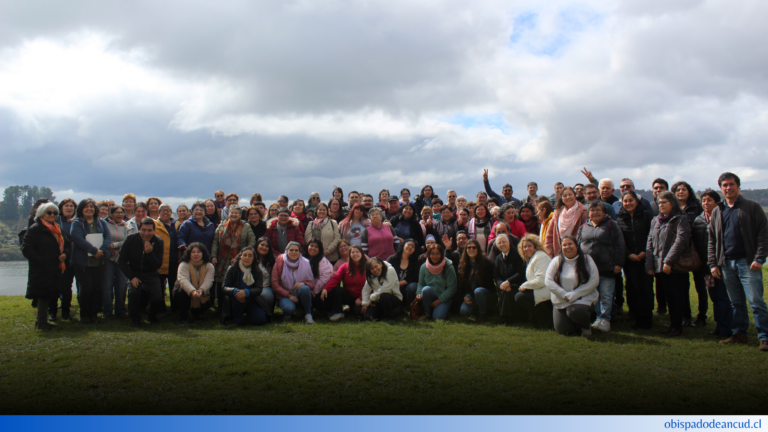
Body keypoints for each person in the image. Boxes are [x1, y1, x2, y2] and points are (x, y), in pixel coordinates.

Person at [708, 172, 768, 350]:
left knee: (756, 302)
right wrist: (713, 263)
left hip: (748, 262)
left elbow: (764, 235)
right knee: (736, 302)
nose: (728, 188)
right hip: (726, 264)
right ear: (721, 188)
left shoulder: (752, 207)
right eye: (724, 185)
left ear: (738, 186)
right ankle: (740, 334)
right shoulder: (718, 211)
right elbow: (712, 239)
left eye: (731, 184)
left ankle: (764, 337)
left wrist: (759, 258)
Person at [646, 191, 691, 337]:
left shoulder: (681, 218)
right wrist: (650, 265)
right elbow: (650, 243)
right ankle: (672, 325)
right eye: (659, 203)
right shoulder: (655, 220)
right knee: (668, 297)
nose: (661, 205)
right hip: (660, 266)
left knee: (677, 297)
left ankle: (677, 326)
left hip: (675, 266)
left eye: (664, 202)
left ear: (673, 203)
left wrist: (669, 261)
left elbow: (681, 240)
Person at [578, 202, 626, 333]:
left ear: (604, 212)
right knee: (595, 294)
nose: (595, 213)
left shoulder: (612, 225)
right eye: (592, 210)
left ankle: (605, 319)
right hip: (589, 269)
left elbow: (620, 245)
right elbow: (579, 245)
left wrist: (618, 263)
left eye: (598, 210)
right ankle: (598, 318)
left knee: (606, 295)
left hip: (607, 267)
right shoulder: (584, 226)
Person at [22, 203, 71, 330]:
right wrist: (40, 261)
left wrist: (65, 254)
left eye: (55, 213)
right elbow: (26, 248)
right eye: (49, 213)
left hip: (55, 267)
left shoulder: (58, 228)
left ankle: (43, 320)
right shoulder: (35, 229)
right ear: (41, 214)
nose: (52, 215)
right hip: (41, 269)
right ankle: (41, 321)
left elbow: (67, 245)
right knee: (42, 294)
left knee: (50, 293)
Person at [693, 190, 733, 339]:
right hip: (706, 268)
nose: (706, 203)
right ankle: (718, 325)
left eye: (709, 200)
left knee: (723, 297)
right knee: (714, 296)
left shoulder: (723, 217)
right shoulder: (698, 220)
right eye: (703, 200)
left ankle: (726, 328)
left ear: (717, 202)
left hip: (722, 265)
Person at [546, 235, 600, 336]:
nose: (567, 247)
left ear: (577, 246)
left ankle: (585, 326)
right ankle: (576, 324)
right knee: (565, 331)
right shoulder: (556, 261)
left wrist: (575, 294)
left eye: (570, 244)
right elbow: (548, 281)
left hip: (583, 299)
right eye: (564, 245)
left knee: (575, 311)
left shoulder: (587, 259)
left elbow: (594, 281)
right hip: (562, 299)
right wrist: (563, 294)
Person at [617, 191, 655, 329]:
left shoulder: (647, 215)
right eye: (625, 201)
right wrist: (629, 254)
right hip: (630, 260)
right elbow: (620, 240)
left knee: (646, 288)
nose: (628, 203)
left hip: (646, 257)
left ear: (637, 202)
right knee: (632, 288)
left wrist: (644, 252)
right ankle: (635, 314)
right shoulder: (620, 218)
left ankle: (646, 317)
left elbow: (652, 236)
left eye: (630, 200)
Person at [71, 198, 112, 324]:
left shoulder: (101, 222)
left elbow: (108, 237)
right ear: (81, 209)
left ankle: (94, 314)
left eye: (91, 207)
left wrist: (102, 250)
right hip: (84, 263)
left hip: (99, 261)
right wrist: (94, 250)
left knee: (97, 288)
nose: (89, 209)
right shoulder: (77, 223)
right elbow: (77, 238)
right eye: (86, 207)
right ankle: (85, 315)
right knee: (86, 288)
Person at [671, 181, 706, 327]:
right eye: (677, 190)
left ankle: (702, 317)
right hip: (680, 252)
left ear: (689, 192)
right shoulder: (672, 208)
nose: (680, 192)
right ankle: (686, 316)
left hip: (698, 250)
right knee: (683, 287)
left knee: (701, 286)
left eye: (683, 190)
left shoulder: (697, 206)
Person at [118, 217, 164, 327]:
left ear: (154, 230)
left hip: (151, 274)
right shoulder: (130, 240)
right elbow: (121, 261)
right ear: (139, 229)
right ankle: (135, 319)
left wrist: (149, 253)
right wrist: (131, 277)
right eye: (143, 230)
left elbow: (158, 265)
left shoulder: (158, 241)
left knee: (158, 298)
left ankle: (151, 315)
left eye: (149, 230)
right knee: (134, 294)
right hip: (135, 273)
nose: (146, 233)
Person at [212, 205, 256, 311]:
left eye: (237, 213)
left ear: (240, 215)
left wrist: (246, 255)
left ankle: (234, 308)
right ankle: (221, 308)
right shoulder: (222, 225)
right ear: (228, 214)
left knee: (234, 281)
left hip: (238, 259)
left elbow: (252, 241)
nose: (234, 214)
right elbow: (215, 242)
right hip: (222, 260)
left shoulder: (246, 226)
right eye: (232, 212)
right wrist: (213, 256)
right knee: (221, 283)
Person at [221, 247, 270, 326]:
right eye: (245, 255)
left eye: (250, 255)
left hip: (252, 298)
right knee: (237, 300)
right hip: (235, 298)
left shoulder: (257, 270)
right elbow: (224, 287)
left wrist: (246, 292)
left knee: (260, 320)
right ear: (240, 256)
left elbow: (259, 289)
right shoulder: (232, 268)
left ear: (253, 258)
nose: (247, 258)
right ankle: (238, 320)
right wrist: (235, 291)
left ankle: (249, 315)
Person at [514, 234, 553, 328]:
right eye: (525, 247)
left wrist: (524, 286)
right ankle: (540, 319)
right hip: (539, 288)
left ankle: (546, 318)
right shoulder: (533, 257)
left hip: (546, 290)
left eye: (529, 246)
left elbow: (541, 280)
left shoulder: (540, 257)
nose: (527, 249)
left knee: (519, 297)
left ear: (535, 246)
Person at [271, 241, 315, 323]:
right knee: (289, 309)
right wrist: (289, 295)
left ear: (299, 252)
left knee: (305, 288)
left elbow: (312, 284)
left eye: (296, 250)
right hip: (285, 295)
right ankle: (287, 314)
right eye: (291, 250)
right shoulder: (279, 262)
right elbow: (275, 284)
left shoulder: (306, 262)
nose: (294, 252)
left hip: (300, 293)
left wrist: (304, 283)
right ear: (286, 251)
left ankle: (308, 314)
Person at [173, 242, 214, 323]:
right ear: (189, 254)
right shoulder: (183, 264)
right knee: (181, 292)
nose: (196, 254)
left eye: (198, 252)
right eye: (193, 252)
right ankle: (183, 316)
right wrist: (192, 291)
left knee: (210, 300)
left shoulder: (209, 266)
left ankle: (196, 313)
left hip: (201, 292)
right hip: (184, 293)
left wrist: (201, 290)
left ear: (203, 254)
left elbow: (209, 281)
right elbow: (183, 280)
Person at [456, 238, 496, 322]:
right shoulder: (463, 264)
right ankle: (478, 309)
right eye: (469, 247)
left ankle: (482, 313)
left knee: (478, 291)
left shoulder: (486, 263)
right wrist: (465, 296)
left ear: (478, 249)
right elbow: (462, 284)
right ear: (466, 250)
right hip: (471, 295)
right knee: (464, 311)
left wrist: (469, 295)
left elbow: (486, 284)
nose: (471, 249)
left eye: (474, 247)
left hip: (485, 293)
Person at [326, 245, 369, 321]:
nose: (355, 254)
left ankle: (352, 308)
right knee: (335, 289)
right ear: (349, 255)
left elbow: (372, 286)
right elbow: (336, 278)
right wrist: (326, 289)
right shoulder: (344, 266)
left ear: (362, 254)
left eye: (357, 252)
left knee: (360, 313)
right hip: (348, 296)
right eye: (352, 252)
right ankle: (339, 312)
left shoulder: (368, 267)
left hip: (362, 297)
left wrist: (361, 298)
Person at [416, 244, 457, 321]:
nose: (435, 256)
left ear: (442, 254)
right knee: (425, 289)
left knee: (438, 317)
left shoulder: (449, 267)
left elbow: (452, 287)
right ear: (429, 254)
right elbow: (421, 283)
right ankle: (427, 313)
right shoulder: (424, 267)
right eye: (432, 254)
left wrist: (439, 301)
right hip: (429, 296)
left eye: (438, 254)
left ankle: (443, 310)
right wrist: (418, 293)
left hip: (444, 297)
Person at [52, 198, 77, 320]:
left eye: (71, 206)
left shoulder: (77, 222)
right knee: (55, 286)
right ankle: (52, 311)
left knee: (68, 287)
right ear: (61, 208)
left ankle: (66, 312)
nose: (69, 208)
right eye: (66, 206)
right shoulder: (55, 221)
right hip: (57, 258)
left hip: (72, 258)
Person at [102, 206, 129, 319]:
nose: (119, 214)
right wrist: (108, 245)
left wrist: (114, 245)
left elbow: (127, 241)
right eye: (116, 212)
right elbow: (103, 238)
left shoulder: (127, 226)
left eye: (121, 212)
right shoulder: (105, 224)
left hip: (122, 261)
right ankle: (107, 312)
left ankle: (120, 311)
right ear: (111, 214)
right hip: (108, 259)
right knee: (107, 287)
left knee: (122, 286)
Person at [545, 187, 587, 257]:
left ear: (574, 195)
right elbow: (549, 234)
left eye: (570, 194)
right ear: (561, 198)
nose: (568, 197)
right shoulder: (557, 213)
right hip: (560, 251)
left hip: (578, 252)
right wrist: (549, 250)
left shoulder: (583, 211)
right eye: (565, 196)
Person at [494, 233, 526, 323]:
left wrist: (508, 282)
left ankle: (505, 318)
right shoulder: (498, 258)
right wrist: (501, 284)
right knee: (504, 291)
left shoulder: (517, 254)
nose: (502, 244)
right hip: (504, 285)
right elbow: (496, 275)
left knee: (507, 292)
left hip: (518, 284)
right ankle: (505, 317)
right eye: (499, 243)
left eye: (504, 242)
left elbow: (521, 272)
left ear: (509, 242)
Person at [155, 203, 180, 313]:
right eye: (163, 210)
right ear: (159, 212)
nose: (166, 212)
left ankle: (175, 309)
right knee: (159, 288)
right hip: (159, 261)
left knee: (174, 287)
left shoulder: (177, 224)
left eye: (168, 210)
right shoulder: (154, 224)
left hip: (174, 260)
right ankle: (160, 310)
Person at [302, 239, 335, 318]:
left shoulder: (323, 261)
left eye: (316, 247)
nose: (313, 248)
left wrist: (314, 293)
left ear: (320, 249)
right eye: (311, 246)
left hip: (319, 290)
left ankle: (330, 310)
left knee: (318, 302)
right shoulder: (302, 259)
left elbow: (324, 278)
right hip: (305, 287)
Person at [387, 239, 420, 310]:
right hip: (392, 289)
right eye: (409, 245)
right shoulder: (392, 259)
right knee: (396, 312)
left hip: (405, 289)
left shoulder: (414, 262)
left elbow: (415, 277)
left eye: (413, 247)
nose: (410, 247)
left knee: (413, 286)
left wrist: (399, 283)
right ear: (403, 245)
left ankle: (408, 306)